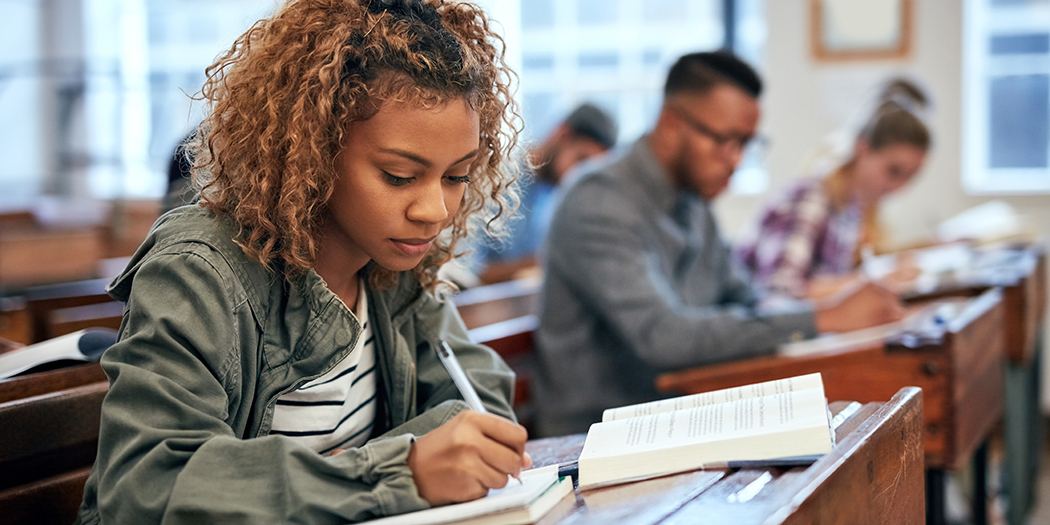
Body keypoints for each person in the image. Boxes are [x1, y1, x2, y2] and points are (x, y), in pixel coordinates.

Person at [75, 1, 531, 523]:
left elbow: (482, 408)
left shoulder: (394, 267)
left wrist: (384, 466)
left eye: (457, 176)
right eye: (400, 176)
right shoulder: (199, 272)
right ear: (312, 148)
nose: (435, 212)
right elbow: (146, 486)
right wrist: (394, 471)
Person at [533, 51, 904, 437]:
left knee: (845, 428)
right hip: (595, 438)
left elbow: (743, 296)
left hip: (679, 414)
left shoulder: (692, 201)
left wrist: (816, 317)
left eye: (746, 143)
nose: (735, 160)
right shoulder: (597, 201)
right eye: (725, 141)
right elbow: (666, 338)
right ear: (672, 124)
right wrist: (825, 317)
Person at [734, 78, 931, 300]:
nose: (899, 187)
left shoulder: (852, 207)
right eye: (894, 171)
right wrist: (875, 281)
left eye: (911, 176)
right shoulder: (809, 199)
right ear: (863, 148)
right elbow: (779, 293)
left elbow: (833, 280)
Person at [470, 102, 617, 285]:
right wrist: (545, 261)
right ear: (562, 134)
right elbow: (466, 274)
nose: (578, 176)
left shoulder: (558, 196)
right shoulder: (492, 178)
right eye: (581, 160)